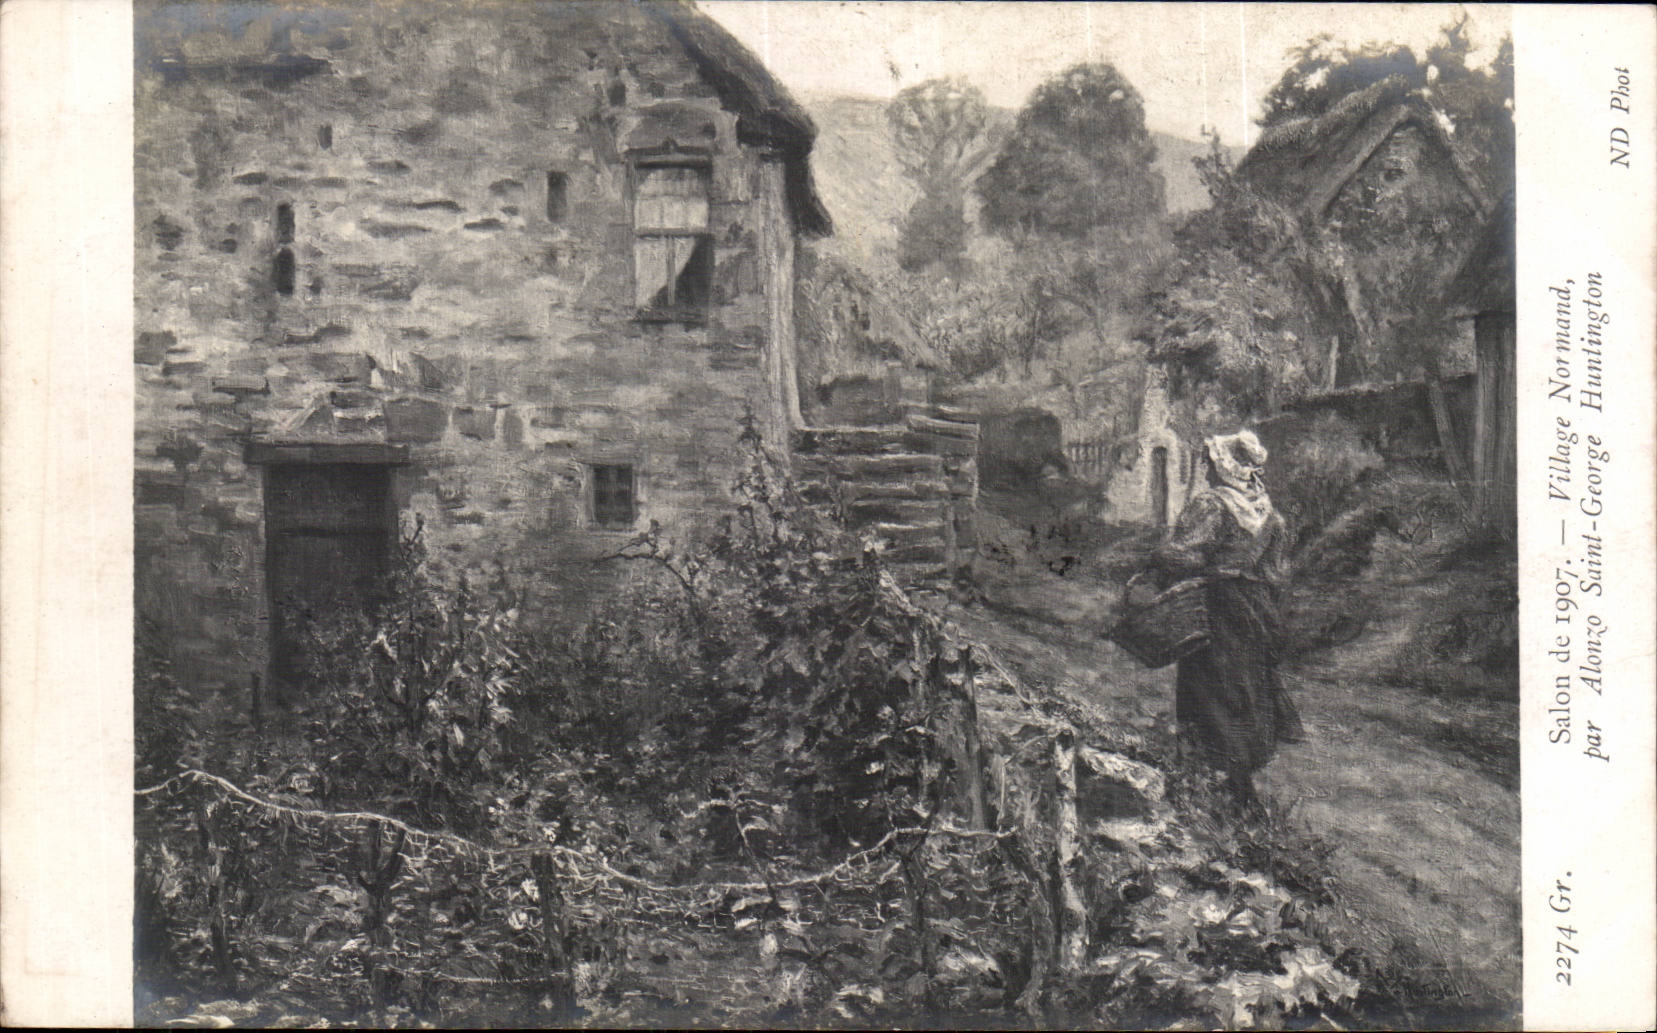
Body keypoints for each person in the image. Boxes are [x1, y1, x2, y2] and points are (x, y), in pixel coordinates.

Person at [1150, 430, 1304, 811]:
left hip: (1216, 606)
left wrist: (1163, 558)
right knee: (1246, 686)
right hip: (1255, 608)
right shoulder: (1269, 513)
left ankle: (1217, 781)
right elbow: (1278, 573)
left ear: (1224, 469)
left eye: (1210, 463)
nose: (1206, 470)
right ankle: (1239, 775)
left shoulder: (1211, 506)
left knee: (1210, 685)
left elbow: (1180, 557)